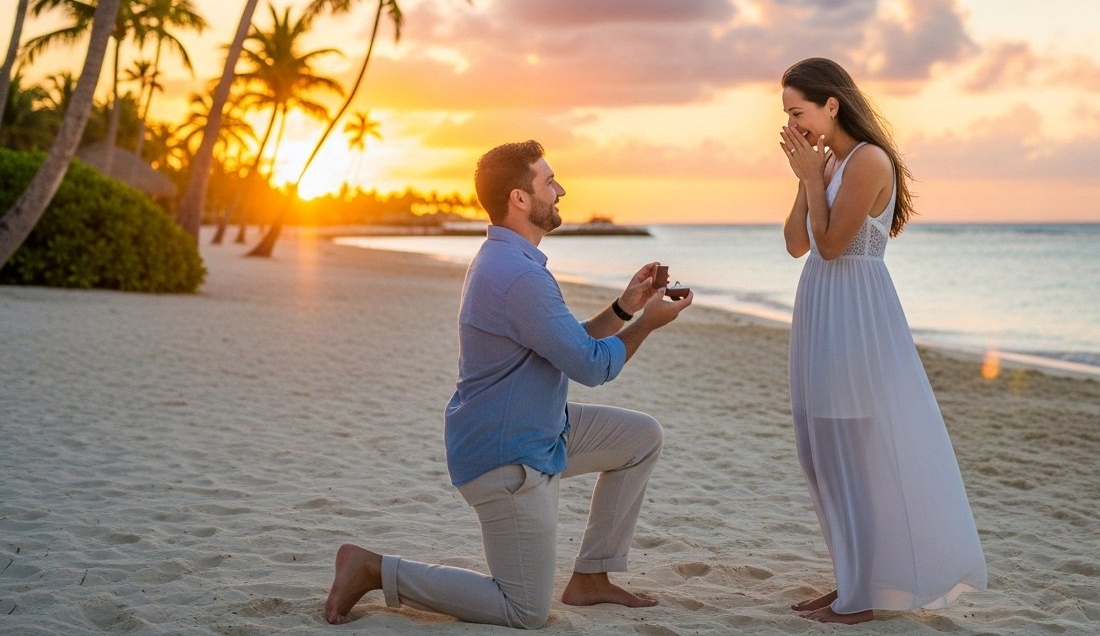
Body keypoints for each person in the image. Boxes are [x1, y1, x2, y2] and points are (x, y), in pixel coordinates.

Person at [323, 140, 693, 629]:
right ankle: (375, 568)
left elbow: (568, 346)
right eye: (549, 181)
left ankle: (591, 577)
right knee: (524, 609)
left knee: (640, 437)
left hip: (538, 427)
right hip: (507, 455)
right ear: (520, 198)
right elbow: (593, 369)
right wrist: (647, 324)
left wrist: (626, 307)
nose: (560, 190)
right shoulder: (518, 275)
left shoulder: (509, 262)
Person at [778, 58, 987, 624]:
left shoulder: (869, 161)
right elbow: (798, 242)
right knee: (821, 449)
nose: (792, 125)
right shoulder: (833, 163)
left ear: (831, 105)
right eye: (786, 116)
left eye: (798, 112)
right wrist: (808, 181)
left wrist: (809, 179)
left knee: (853, 449)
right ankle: (852, 579)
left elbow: (831, 245)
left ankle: (867, 594)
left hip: (856, 312)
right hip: (824, 303)